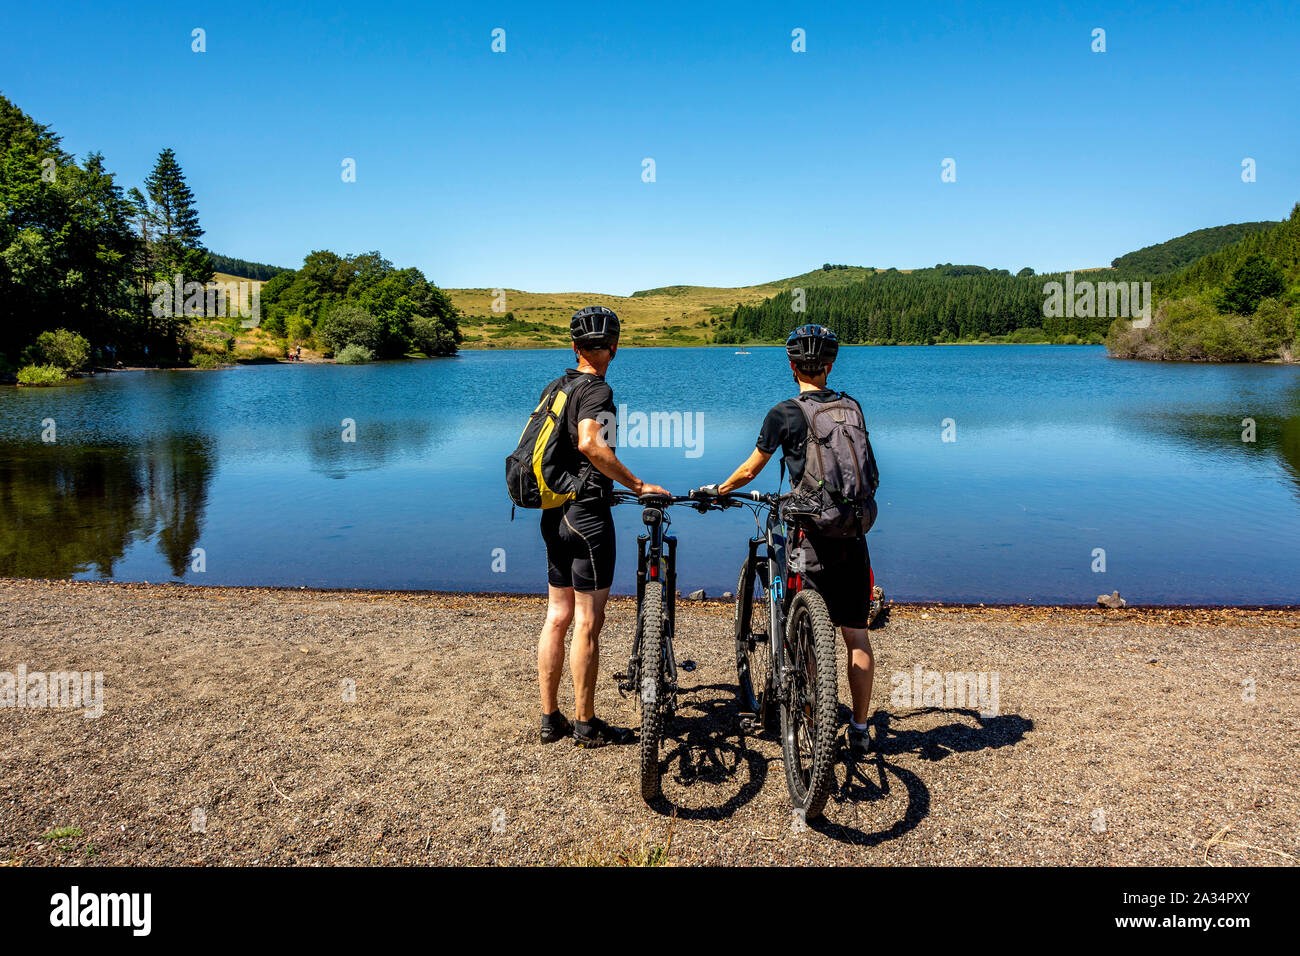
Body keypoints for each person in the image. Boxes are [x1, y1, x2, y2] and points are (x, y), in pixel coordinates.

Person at [699, 324, 880, 756]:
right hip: (853, 532)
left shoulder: (785, 413)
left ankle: (811, 725)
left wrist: (718, 491)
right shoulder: (851, 406)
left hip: (810, 536)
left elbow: (750, 470)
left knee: (806, 631)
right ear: (830, 365)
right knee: (856, 635)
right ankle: (858, 727)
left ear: (792, 365)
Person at [536, 306, 669, 748]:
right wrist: (637, 483)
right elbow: (590, 443)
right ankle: (586, 724)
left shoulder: (556, 386)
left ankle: (549, 719)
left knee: (557, 616)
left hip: (552, 513)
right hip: (588, 518)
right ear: (614, 347)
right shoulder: (598, 390)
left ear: (574, 347)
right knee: (588, 623)